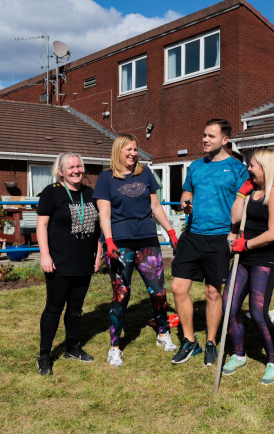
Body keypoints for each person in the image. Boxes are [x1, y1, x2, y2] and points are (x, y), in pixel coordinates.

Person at [93, 134, 179, 367]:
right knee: (121, 295)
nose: (133, 153)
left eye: (135, 149)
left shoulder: (146, 173)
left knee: (158, 292)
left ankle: (163, 334)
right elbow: (105, 214)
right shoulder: (105, 178)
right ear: (118, 151)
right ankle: (114, 347)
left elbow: (155, 206)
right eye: (128, 149)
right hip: (120, 244)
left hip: (147, 241)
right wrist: (108, 242)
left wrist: (170, 232)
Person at [171, 119, 249, 366]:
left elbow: (243, 205)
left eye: (211, 136)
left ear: (225, 140)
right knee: (178, 288)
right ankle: (189, 340)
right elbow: (186, 191)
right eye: (204, 135)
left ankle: (211, 342)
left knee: (212, 292)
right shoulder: (195, 166)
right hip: (193, 235)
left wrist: (234, 234)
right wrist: (185, 201)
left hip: (220, 237)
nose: (205, 140)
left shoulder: (238, 169)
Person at [221, 148, 274, 385]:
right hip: (245, 254)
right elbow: (235, 219)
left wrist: (245, 244)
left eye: (252, 165)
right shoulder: (253, 191)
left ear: (266, 167)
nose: (248, 169)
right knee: (229, 306)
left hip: (266, 257)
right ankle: (239, 354)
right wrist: (242, 193)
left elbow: (273, 234)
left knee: (258, 312)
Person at [36, 152, 102, 376]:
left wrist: (98, 253)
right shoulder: (52, 193)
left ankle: (72, 347)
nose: (76, 170)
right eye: (71, 167)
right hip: (59, 262)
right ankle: (44, 355)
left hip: (84, 261)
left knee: (75, 309)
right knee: (54, 308)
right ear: (61, 171)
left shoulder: (90, 193)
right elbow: (42, 226)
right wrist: (45, 255)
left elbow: (99, 228)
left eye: (79, 166)